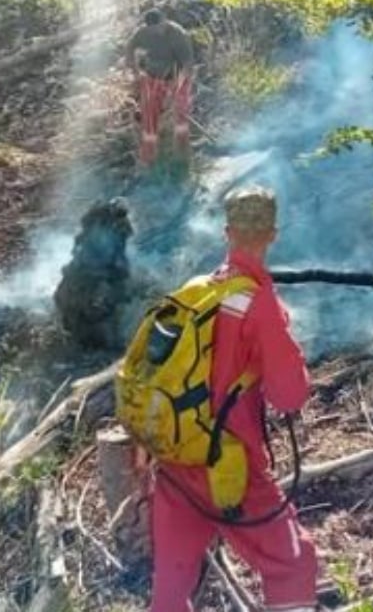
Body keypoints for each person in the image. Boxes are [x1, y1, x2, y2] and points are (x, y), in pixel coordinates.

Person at [148, 185, 318, 612]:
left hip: (175, 455)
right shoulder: (259, 306)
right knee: (292, 562)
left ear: (227, 232)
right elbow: (291, 396)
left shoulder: (196, 290)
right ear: (273, 235)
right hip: (228, 462)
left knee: (173, 576)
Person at [126, 8, 196, 168]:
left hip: (178, 76)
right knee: (149, 116)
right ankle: (148, 159)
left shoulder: (178, 35)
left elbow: (187, 65)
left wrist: (176, 90)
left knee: (181, 118)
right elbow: (129, 48)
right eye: (152, 29)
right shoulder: (142, 33)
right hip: (153, 77)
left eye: (158, 27)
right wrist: (136, 72)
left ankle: (183, 158)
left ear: (164, 20)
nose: (156, 32)